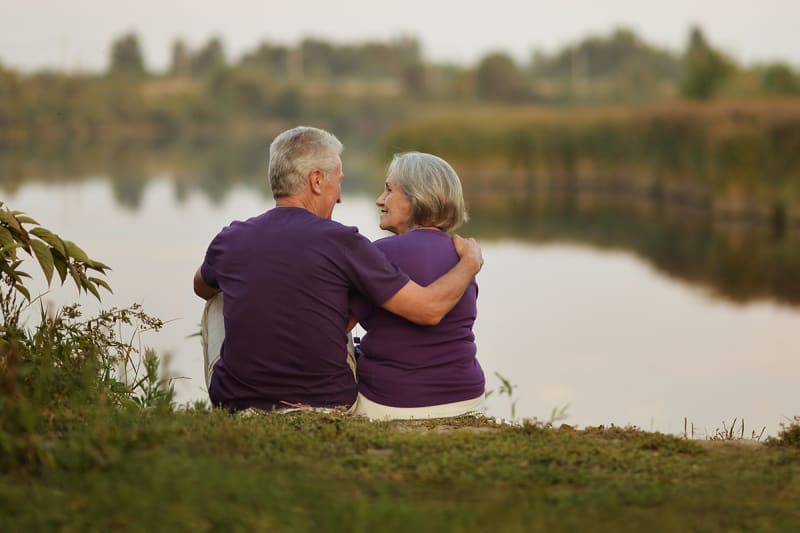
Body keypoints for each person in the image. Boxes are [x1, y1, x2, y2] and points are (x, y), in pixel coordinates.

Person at [193, 127, 483, 412]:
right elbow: (428, 309)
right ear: (317, 181)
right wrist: (469, 262)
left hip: (235, 400)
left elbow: (201, 287)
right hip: (328, 401)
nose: (340, 196)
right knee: (336, 293)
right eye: (338, 182)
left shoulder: (231, 238)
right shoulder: (344, 242)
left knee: (219, 298)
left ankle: (244, 386)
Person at [350, 152, 485, 420]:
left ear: (415, 199)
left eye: (389, 190)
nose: (380, 199)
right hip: (466, 398)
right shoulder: (462, 254)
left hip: (391, 401)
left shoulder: (379, 253)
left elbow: (339, 323)